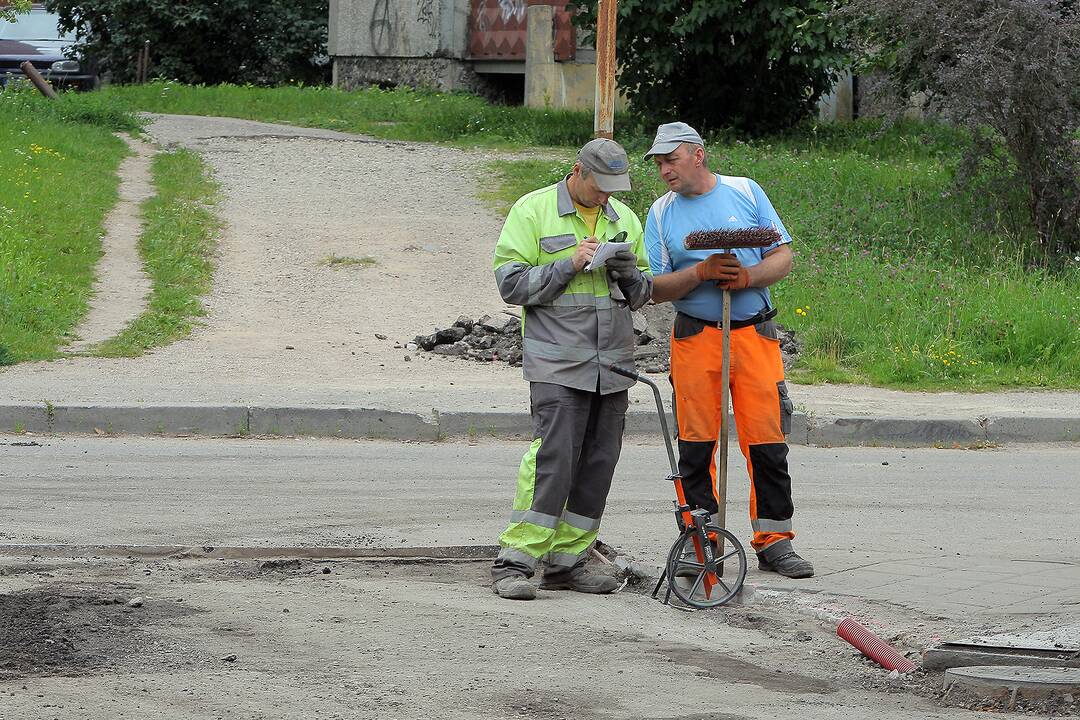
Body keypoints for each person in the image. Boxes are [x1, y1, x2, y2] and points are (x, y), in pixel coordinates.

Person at [643, 122, 813, 579]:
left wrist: (747, 278)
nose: (663, 171)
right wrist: (700, 273)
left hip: (754, 336)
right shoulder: (660, 214)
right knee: (696, 446)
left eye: (670, 160)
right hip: (696, 336)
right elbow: (653, 288)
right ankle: (701, 543)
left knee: (767, 442)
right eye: (658, 163)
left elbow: (782, 255)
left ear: (697, 155)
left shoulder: (746, 192)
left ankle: (775, 541)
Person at [490, 138, 652, 600]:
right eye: (600, 186)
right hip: (557, 362)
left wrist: (625, 271)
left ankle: (567, 563)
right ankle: (516, 561)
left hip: (613, 364)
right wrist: (568, 264)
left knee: (599, 462)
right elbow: (511, 284)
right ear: (578, 171)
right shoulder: (532, 210)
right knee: (553, 460)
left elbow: (641, 294)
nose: (606, 197)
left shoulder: (625, 219)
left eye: (613, 189)